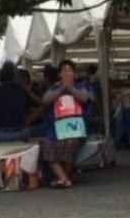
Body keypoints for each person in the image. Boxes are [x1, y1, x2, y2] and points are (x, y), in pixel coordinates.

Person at [40, 59, 94, 189]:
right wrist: (61, 89)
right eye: (64, 70)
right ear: (59, 74)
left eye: (69, 70)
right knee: (48, 149)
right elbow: (45, 100)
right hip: (56, 130)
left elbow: (83, 98)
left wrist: (70, 88)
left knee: (71, 148)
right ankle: (64, 179)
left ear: (74, 74)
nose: (66, 73)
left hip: (75, 128)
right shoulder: (54, 87)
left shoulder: (81, 86)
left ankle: (62, 179)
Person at [0, 62, 41, 143]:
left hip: (0, 133)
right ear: (14, 76)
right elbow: (40, 106)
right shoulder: (23, 90)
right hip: (21, 132)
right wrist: (27, 120)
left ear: (0, 76)